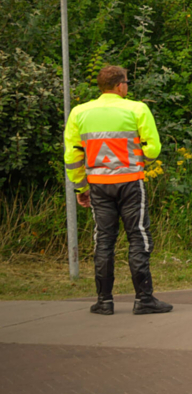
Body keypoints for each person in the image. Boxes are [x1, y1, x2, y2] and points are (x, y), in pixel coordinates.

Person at [64, 65, 173, 316]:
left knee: (104, 240)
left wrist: (81, 187)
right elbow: (153, 150)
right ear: (118, 86)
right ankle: (144, 299)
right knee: (138, 237)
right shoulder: (137, 109)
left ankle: (104, 302)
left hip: (98, 185)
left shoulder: (79, 113)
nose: (128, 86)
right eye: (127, 82)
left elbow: (72, 156)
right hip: (131, 183)